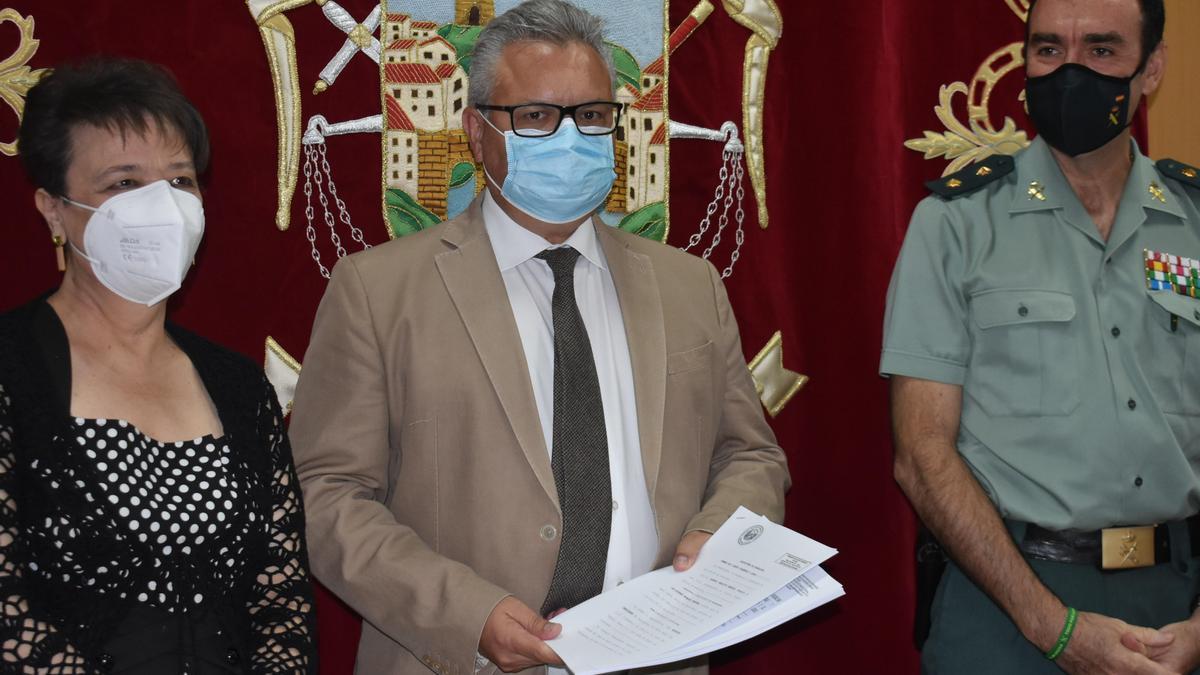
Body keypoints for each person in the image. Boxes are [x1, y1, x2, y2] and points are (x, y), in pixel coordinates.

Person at [288, 0, 790, 673]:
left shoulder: (691, 286)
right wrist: (466, 612)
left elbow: (750, 456)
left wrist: (716, 537)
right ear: (475, 131)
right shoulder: (377, 293)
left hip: (657, 657)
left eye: (589, 116)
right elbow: (325, 495)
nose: (569, 138)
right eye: (534, 117)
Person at [882, 0, 1200, 672]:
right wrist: (1053, 628)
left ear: (1153, 69)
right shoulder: (956, 224)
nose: (1069, 71)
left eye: (1102, 51)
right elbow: (922, 455)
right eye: (1049, 50)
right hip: (1010, 609)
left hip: (1180, 604)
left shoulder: (1193, 224)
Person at [0, 58, 317, 673]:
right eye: (123, 183)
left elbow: (280, 598)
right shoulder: (11, 369)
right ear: (53, 209)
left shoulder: (236, 384)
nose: (161, 207)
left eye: (179, 180)